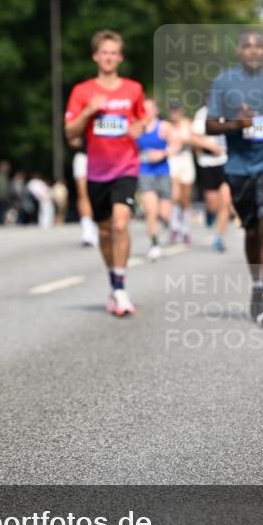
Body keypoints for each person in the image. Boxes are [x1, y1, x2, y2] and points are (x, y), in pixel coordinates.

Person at [206, 28, 263, 325]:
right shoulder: (224, 82)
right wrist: (237, 124)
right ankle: (257, 286)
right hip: (238, 165)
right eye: (247, 46)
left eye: (258, 47)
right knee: (250, 230)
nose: (253, 51)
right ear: (239, 51)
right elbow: (209, 125)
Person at [64, 30, 145, 316]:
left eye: (114, 53)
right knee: (105, 230)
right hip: (96, 171)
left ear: (119, 57)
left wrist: (140, 127)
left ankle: (121, 287)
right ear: (96, 56)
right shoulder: (82, 91)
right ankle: (113, 281)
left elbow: (141, 120)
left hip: (126, 167)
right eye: (104, 52)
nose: (109, 57)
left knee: (121, 224)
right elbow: (69, 131)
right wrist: (88, 112)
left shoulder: (133, 89)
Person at [136, 96, 176, 260]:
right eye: (143, 108)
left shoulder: (163, 126)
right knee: (150, 210)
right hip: (145, 172)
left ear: (156, 110)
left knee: (164, 213)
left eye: (149, 108)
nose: (146, 111)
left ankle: (167, 222)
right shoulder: (136, 127)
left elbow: (176, 143)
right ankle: (154, 243)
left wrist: (163, 153)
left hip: (163, 172)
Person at [192, 104, 231, 252]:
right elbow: (194, 137)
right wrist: (210, 146)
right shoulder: (202, 113)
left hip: (226, 161)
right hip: (207, 163)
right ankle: (209, 211)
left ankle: (219, 237)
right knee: (212, 203)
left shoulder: (231, 111)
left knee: (226, 201)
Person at [167, 100, 196, 244]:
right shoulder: (167, 126)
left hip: (186, 159)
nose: (174, 113)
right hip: (173, 160)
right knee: (175, 194)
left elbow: (196, 139)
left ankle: (185, 227)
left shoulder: (188, 124)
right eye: (172, 110)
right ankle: (174, 225)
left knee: (185, 196)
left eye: (176, 110)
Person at [69, 136, 98, 246]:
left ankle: (100, 224)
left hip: (105, 157)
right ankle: (87, 229)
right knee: (83, 193)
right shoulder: (81, 117)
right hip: (84, 156)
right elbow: (71, 138)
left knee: (98, 194)